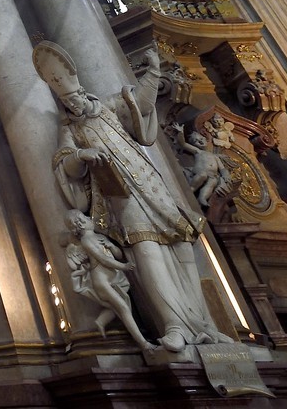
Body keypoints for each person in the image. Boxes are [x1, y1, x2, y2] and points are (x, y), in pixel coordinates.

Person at [35, 40, 231, 353]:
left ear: (83, 91)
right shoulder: (71, 128)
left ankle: (203, 323)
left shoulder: (110, 107)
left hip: (152, 186)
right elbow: (65, 162)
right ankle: (174, 325)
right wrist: (82, 155)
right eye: (67, 103)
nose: (73, 105)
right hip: (120, 196)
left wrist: (153, 73)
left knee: (181, 243)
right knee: (146, 249)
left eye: (74, 98)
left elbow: (140, 104)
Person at [63, 211, 155, 349]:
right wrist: (123, 266)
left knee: (121, 304)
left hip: (116, 277)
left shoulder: (99, 236)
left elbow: (116, 254)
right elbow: (103, 259)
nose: (89, 218)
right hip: (102, 281)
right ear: (80, 224)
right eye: (85, 217)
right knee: (123, 307)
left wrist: (111, 246)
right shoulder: (86, 241)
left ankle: (101, 321)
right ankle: (144, 343)